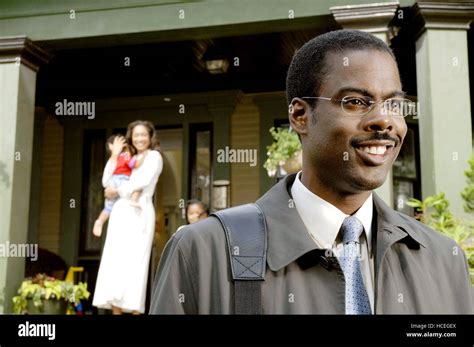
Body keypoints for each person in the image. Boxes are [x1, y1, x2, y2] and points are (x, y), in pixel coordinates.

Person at [149, 30, 473, 314]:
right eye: (356, 102)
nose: (384, 120)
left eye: (393, 104)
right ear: (301, 116)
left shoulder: (444, 259)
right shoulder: (202, 253)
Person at [93, 120, 163, 315]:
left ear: (150, 137)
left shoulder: (154, 157)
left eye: (143, 135)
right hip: (120, 212)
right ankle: (116, 311)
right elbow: (106, 181)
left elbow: (142, 181)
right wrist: (114, 156)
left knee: (135, 265)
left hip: (139, 211)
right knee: (115, 262)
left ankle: (134, 311)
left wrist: (117, 190)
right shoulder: (126, 156)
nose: (139, 138)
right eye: (136, 135)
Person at [92, 135, 145, 237]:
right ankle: (100, 221)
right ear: (111, 146)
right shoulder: (119, 159)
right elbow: (105, 182)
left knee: (108, 208)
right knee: (110, 207)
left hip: (125, 203)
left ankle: (100, 221)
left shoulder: (121, 158)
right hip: (120, 191)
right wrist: (139, 160)